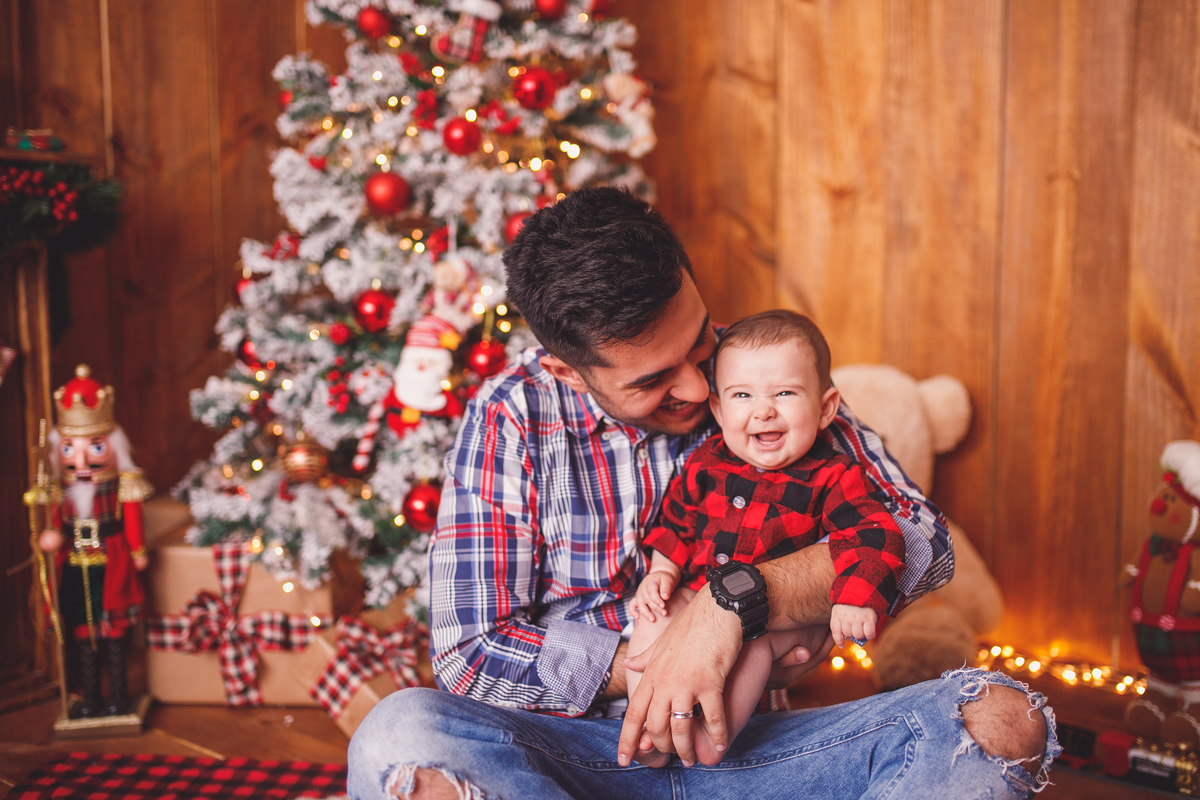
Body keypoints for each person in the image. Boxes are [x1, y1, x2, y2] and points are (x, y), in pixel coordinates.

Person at [348, 188, 1059, 800]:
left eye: (697, 346)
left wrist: (735, 606)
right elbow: (471, 651)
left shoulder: (761, 376)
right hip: (576, 762)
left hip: (757, 755)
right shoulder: (510, 418)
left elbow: (922, 540)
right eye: (652, 380)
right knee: (400, 735)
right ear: (569, 373)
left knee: (1000, 716)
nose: (697, 389)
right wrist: (656, 665)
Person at [626, 309, 906, 766]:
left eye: (784, 393)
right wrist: (662, 569)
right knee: (654, 614)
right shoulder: (706, 462)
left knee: (749, 642)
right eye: (742, 395)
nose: (763, 409)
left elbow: (874, 533)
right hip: (696, 591)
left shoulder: (834, 474)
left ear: (825, 408)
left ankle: (707, 740)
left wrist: (856, 597)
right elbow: (677, 520)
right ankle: (651, 730)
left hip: (775, 618)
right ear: (718, 410)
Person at [37, 365, 153, 717]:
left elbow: (132, 520)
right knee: (83, 634)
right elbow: (54, 526)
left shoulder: (121, 487)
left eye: (96, 446)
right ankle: (91, 697)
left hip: (111, 563)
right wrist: (50, 538)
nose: (83, 460)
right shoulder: (62, 491)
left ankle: (119, 695)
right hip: (75, 567)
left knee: (113, 633)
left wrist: (137, 550)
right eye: (71, 449)